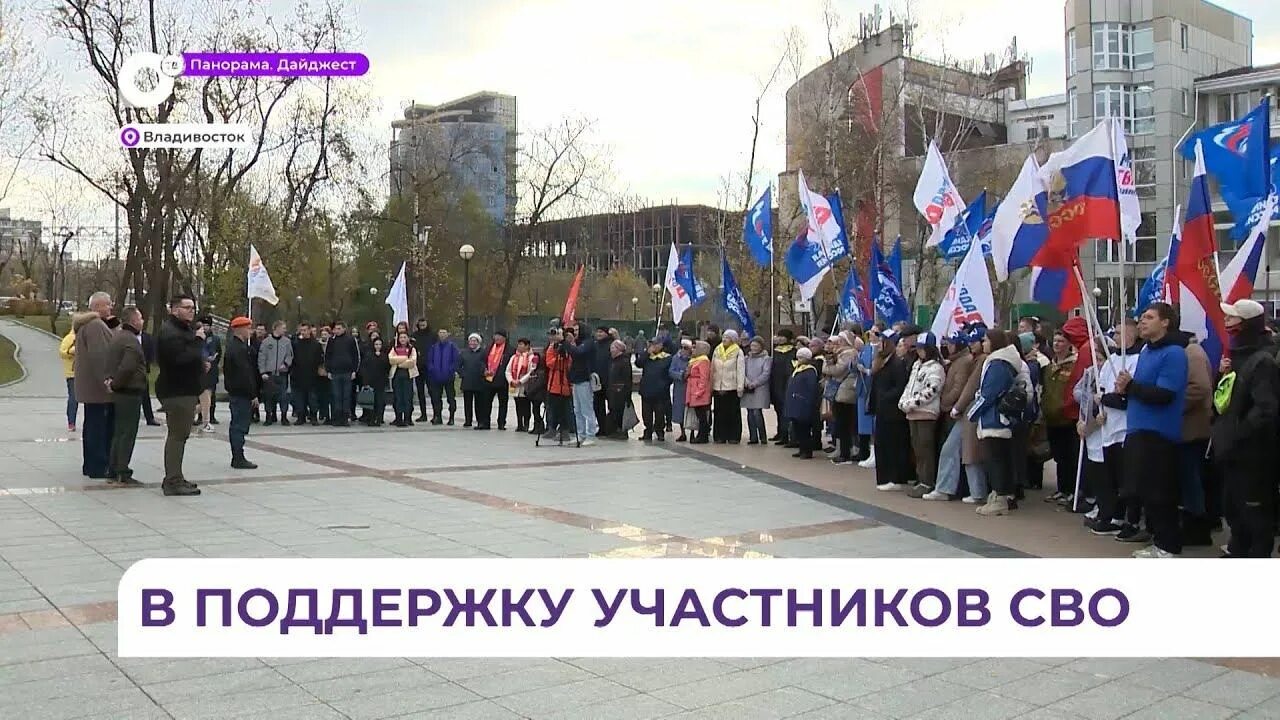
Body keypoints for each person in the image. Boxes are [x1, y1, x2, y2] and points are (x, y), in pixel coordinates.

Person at [1116, 302, 1188, 558]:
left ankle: (1168, 545)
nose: (1142, 322)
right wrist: (1124, 390)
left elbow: (1165, 394)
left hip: (1159, 433)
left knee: (1160, 493)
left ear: (1165, 322)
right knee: (1144, 492)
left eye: (1149, 317)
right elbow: (1139, 389)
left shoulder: (1174, 353)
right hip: (1138, 430)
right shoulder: (1147, 350)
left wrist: (1132, 386)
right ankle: (1158, 541)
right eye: (1141, 317)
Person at [1213, 299, 1280, 558]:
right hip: (1232, 454)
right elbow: (1224, 401)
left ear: (1246, 324)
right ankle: (1237, 552)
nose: (1227, 322)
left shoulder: (1262, 361)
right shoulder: (1238, 358)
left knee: (1255, 517)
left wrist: (1237, 434)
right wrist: (1222, 376)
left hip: (1253, 456)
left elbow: (1265, 409)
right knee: (1235, 512)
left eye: (1232, 318)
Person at [968, 329, 1029, 516]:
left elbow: (989, 393)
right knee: (998, 458)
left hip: (995, 419)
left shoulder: (998, 364)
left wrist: (973, 412)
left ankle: (1001, 497)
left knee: (995, 459)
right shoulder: (1000, 362)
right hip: (995, 418)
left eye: (985, 340)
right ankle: (1001, 494)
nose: (983, 343)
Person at [154, 295, 203, 496]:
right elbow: (180, 359)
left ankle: (176, 476)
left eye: (193, 307)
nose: (192, 310)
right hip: (177, 391)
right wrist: (198, 342)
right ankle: (172, 481)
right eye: (187, 307)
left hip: (184, 389)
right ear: (175, 310)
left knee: (180, 435)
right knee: (177, 435)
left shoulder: (181, 330)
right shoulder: (170, 332)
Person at [926, 329, 976, 501]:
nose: (948, 346)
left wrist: (946, 402)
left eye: (952, 343)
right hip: (952, 410)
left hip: (956, 411)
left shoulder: (964, 362)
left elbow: (959, 387)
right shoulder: (957, 361)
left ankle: (947, 488)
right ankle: (952, 488)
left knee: (951, 449)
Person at [73, 292, 116, 479]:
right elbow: (101, 357)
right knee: (98, 428)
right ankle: (99, 465)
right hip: (98, 389)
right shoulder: (96, 326)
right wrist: (107, 381)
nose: (111, 307)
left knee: (92, 425)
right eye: (108, 304)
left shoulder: (87, 325)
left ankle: (91, 464)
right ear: (98, 306)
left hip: (90, 387)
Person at [1178, 331, 1215, 547]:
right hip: (1187, 427)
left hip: (1193, 428)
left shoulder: (1193, 353)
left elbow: (1199, 388)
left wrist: (1173, 408)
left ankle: (1198, 527)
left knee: (1192, 478)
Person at [900, 332, 946, 497]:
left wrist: (913, 403)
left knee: (925, 448)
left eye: (922, 348)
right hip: (912, 412)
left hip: (926, 412)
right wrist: (904, 401)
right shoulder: (916, 365)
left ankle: (928, 481)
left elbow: (932, 390)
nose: (919, 352)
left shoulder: (936, 368)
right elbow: (909, 386)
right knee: (917, 448)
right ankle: (921, 479)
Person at [105, 306, 146, 486]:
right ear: (133, 321)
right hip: (129, 392)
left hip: (121, 392)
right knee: (127, 433)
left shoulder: (118, 337)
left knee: (119, 431)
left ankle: (113, 468)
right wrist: (115, 384)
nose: (143, 321)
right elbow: (128, 367)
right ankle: (122, 470)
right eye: (141, 318)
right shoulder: (131, 341)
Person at [870, 330, 911, 492]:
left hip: (893, 411)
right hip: (882, 410)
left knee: (893, 445)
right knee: (882, 444)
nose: (879, 345)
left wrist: (885, 397)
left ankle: (895, 477)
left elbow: (900, 386)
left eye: (882, 342)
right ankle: (884, 477)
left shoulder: (896, 364)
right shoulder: (881, 362)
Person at [1042, 328, 1080, 504]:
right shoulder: (1049, 367)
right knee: (1058, 456)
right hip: (1051, 417)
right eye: (1055, 341)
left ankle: (1071, 490)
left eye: (1061, 341)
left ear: (1069, 345)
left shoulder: (1073, 366)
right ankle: (1062, 488)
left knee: (1069, 456)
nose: (1057, 344)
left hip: (1067, 418)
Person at [221, 316, 259, 470]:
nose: (250, 331)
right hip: (241, 393)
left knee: (238, 424)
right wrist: (253, 394)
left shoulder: (235, 347)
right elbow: (245, 374)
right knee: (239, 426)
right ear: (240, 329)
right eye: (248, 328)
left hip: (236, 391)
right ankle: (238, 457)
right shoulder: (238, 349)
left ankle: (238, 455)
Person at [824, 332, 858, 463]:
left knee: (844, 422)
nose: (838, 343)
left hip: (845, 392)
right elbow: (825, 369)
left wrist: (830, 366)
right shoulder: (837, 353)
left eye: (841, 340)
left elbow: (837, 370)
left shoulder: (848, 353)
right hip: (839, 390)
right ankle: (842, 449)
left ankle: (845, 452)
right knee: (839, 421)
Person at [566, 325, 601, 440]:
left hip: (585, 379)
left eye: (577, 330)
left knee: (587, 409)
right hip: (576, 379)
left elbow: (578, 352)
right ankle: (580, 434)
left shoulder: (588, 343)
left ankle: (591, 434)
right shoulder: (577, 343)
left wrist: (568, 343)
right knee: (577, 410)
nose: (575, 332)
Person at [634, 337, 673, 441]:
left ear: (661, 345)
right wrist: (647, 353)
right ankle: (648, 431)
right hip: (646, 390)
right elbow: (638, 363)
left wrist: (665, 384)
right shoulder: (647, 357)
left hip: (660, 392)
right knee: (646, 413)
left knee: (660, 413)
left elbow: (670, 374)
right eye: (651, 344)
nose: (653, 346)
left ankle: (660, 431)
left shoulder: (667, 358)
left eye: (656, 344)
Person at [710, 330, 746, 444]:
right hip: (718, 386)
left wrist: (740, 387)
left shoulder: (738, 351)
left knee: (732, 413)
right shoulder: (717, 349)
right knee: (719, 412)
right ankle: (719, 436)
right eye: (724, 337)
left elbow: (740, 370)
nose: (724, 339)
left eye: (728, 337)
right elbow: (712, 368)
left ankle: (733, 436)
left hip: (732, 387)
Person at [784, 347, 821, 459]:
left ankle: (807, 450)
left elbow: (811, 388)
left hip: (803, 402)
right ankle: (801, 448)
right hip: (795, 402)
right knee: (797, 427)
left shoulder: (810, 370)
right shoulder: (797, 369)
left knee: (804, 428)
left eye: (801, 357)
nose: (798, 359)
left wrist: (806, 399)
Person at [541, 327, 576, 442]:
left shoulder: (568, 347)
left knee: (564, 408)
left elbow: (569, 363)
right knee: (552, 408)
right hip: (553, 383)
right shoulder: (551, 347)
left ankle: (564, 430)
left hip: (565, 382)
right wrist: (558, 357)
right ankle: (551, 428)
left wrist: (561, 357)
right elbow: (549, 363)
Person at [323, 321, 359, 427]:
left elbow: (355, 356)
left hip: (347, 372)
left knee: (346, 396)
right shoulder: (331, 341)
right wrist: (328, 370)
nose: (337, 331)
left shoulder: (351, 340)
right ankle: (337, 417)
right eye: (336, 329)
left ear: (344, 329)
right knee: (336, 396)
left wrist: (354, 370)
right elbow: (327, 356)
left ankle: (345, 417)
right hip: (335, 372)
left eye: (339, 328)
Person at [258, 320, 294, 426]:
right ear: (276, 328)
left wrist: (286, 364)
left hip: (282, 374)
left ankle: (283, 416)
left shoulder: (287, 342)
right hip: (269, 374)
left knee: (284, 397)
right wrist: (262, 372)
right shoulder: (266, 342)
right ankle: (269, 416)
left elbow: (290, 355)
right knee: (269, 397)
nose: (285, 330)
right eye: (283, 328)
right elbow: (261, 357)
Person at [477, 330, 514, 431]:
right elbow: (482, 361)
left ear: (504, 338)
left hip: (502, 380)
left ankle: (501, 422)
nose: (497, 338)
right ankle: (485, 422)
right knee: (486, 402)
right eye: (495, 336)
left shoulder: (509, 350)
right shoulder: (488, 348)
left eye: (499, 336)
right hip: (489, 379)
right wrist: (484, 370)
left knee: (503, 403)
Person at [855, 325, 881, 466]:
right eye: (870, 331)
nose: (871, 334)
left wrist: (867, 370)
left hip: (873, 389)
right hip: (863, 390)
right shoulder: (866, 348)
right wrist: (856, 365)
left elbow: (876, 369)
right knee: (865, 424)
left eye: (875, 332)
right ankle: (869, 452)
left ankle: (875, 453)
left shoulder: (881, 349)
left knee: (874, 424)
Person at [425, 328, 460, 425]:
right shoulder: (433, 347)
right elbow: (429, 361)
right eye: (440, 333)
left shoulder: (452, 347)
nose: (442, 335)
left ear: (447, 334)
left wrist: (451, 370)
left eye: (444, 333)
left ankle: (451, 417)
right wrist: (432, 370)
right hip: (435, 377)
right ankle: (438, 416)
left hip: (448, 377)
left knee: (451, 398)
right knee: (436, 398)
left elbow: (456, 360)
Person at [290, 323, 323, 426]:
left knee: (312, 398)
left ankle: (313, 416)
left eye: (305, 330)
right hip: (298, 375)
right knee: (300, 398)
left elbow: (320, 359)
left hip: (312, 375)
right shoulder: (296, 344)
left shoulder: (316, 344)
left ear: (309, 331)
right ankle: (301, 417)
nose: (303, 332)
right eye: (301, 330)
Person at [742, 337, 772, 446]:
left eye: (756, 346)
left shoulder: (766, 359)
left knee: (757, 412)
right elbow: (742, 371)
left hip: (760, 389)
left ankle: (762, 436)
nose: (753, 348)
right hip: (748, 388)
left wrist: (755, 383)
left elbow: (766, 373)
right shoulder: (746, 358)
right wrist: (746, 381)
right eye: (752, 346)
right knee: (749, 412)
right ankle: (753, 436)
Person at [770, 330, 798, 446]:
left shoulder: (793, 351)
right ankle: (780, 432)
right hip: (775, 382)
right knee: (778, 410)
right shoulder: (775, 351)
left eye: (783, 337)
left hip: (785, 383)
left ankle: (786, 435)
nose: (780, 338)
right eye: (779, 336)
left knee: (785, 411)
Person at [505, 337, 538, 432]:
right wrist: (511, 380)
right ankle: (519, 423)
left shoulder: (531, 357)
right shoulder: (514, 357)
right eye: (518, 344)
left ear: (527, 346)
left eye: (521, 344)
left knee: (526, 405)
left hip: (525, 385)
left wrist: (521, 381)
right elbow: (508, 370)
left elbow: (531, 371)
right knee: (518, 404)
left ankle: (526, 424)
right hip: (514, 385)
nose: (519, 346)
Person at [603, 340, 633, 440]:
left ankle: (621, 430)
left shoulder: (624, 361)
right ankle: (613, 430)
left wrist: (627, 394)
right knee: (613, 410)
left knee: (620, 412)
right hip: (612, 391)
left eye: (613, 348)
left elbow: (627, 379)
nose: (611, 350)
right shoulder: (612, 361)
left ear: (619, 349)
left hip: (620, 392)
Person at [388, 331, 418, 427]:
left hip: (408, 376)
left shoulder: (411, 349)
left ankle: (407, 418)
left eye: (404, 337)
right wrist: (405, 358)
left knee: (407, 397)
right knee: (398, 397)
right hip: (396, 375)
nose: (403, 339)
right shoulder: (394, 348)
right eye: (401, 338)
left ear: (407, 338)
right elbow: (391, 360)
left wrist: (400, 362)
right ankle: (399, 418)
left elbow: (412, 362)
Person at [196, 315, 222, 428]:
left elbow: (219, 352)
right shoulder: (197, 338)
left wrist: (214, 361)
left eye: (207, 325)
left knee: (212, 395)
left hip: (212, 370)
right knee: (200, 394)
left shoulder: (215, 339)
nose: (206, 327)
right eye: (204, 325)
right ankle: (200, 416)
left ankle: (211, 416)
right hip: (201, 370)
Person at [685, 341, 712, 444]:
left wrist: (699, 391)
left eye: (695, 348)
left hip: (699, 392)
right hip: (693, 389)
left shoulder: (704, 361)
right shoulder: (694, 360)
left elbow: (704, 378)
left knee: (702, 416)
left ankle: (703, 436)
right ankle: (700, 435)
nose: (693, 350)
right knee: (699, 415)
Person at [458, 333, 487, 428]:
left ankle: (480, 421)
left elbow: (486, 365)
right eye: (471, 341)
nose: (472, 343)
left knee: (479, 404)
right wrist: (462, 374)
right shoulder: (464, 353)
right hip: (467, 381)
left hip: (479, 382)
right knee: (467, 403)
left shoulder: (483, 353)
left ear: (478, 342)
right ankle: (468, 420)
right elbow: (458, 365)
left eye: (475, 341)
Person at [362, 337, 391, 426]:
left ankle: (379, 419)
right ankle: (371, 418)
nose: (378, 346)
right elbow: (365, 368)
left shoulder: (385, 355)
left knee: (380, 401)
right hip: (371, 381)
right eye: (376, 344)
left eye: (379, 344)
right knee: (371, 401)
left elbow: (387, 367)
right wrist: (365, 381)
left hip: (381, 381)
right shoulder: (368, 355)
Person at [589, 327, 613, 433]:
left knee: (612, 405)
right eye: (597, 331)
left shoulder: (611, 344)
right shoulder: (594, 345)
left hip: (609, 380)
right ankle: (602, 427)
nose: (598, 334)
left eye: (601, 332)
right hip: (597, 380)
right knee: (598, 406)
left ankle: (612, 427)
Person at [669, 339, 692, 442]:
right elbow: (671, 371)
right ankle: (682, 432)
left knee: (692, 410)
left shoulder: (694, 359)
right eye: (682, 347)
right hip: (680, 387)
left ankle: (692, 432)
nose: (683, 350)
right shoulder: (675, 358)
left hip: (692, 387)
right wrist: (681, 375)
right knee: (680, 410)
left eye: (686, 348)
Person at [411, 319, 433, 421]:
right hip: (418, 367)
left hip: (429, 367)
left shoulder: (432, 335)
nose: (422, 325)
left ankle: (436, 414)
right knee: (420, 392)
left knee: (432, 391)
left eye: (424, 324)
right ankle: (423, 414)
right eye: (421, 324)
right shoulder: (414, 336)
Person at [60, 324, 77, 432]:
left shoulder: (87, 337)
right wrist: (72, 351)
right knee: (73, 398)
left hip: (87, 373)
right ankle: (71, 422)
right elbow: (62, 352)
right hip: (72, 373)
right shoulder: (70, 338)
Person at [315, 325, 332, 424]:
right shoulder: (318, 345)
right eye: (322, 334)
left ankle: (330, 416)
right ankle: (324, 413)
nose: (324, 336)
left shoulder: (332, 345)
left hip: (330, 373)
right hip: (320, 374)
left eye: (326, 334)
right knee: (322, 396)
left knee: (330, 396)